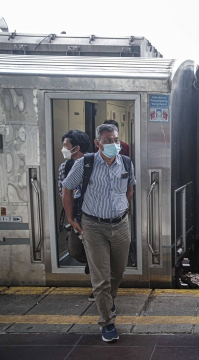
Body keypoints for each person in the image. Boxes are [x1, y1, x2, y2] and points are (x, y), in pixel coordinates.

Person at [62, 123, 135, 343]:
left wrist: (123, 209)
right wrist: (70, 218)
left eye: (115, 140)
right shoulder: (85, 163)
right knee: (101, 278)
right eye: (107, 140)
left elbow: (130, 188)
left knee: (118, 273)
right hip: (93, 226)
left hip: (121, 224)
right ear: (97, 143)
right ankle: (107, 322)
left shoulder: (127, 163)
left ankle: (108, 301)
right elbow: (67, 188)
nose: (113, 144)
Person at [57, 130, 94, 301]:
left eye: (66, 145)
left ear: (76, 148)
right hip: (76, 216)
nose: (63, 148)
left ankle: (98, 286)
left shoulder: (94, 163)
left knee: (97, 253)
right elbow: (62, 192)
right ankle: (94, 265)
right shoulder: (65, 167)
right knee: (74, 250)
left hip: (93, 216)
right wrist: (71, 218)